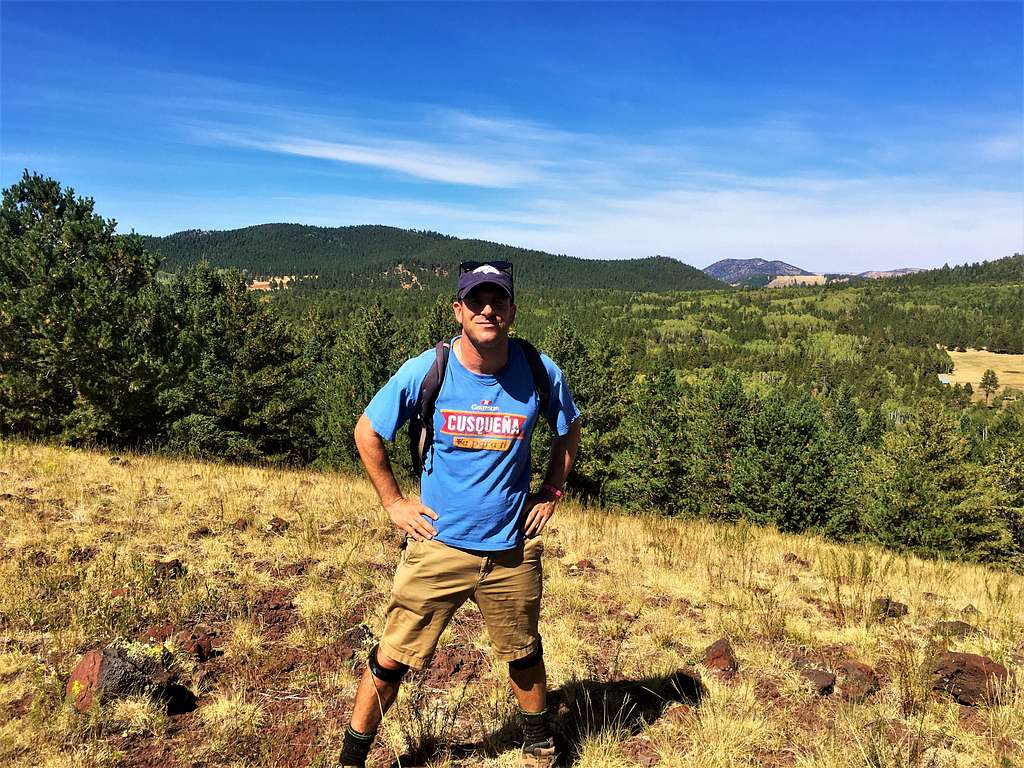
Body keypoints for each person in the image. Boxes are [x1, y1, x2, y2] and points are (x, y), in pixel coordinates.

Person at [338, 260, 582, 768]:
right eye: (476, 300)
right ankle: (352, 758)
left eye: (497, 300)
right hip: (439, 544)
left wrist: (551, 491)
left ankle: (537, 740)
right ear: (459, 309)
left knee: (523, 649)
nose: (487, 309)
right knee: (392, 658)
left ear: (513, 310)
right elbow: (367, 432)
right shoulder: (430, 369)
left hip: (510, 547)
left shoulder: (540, 371)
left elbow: (568, 432)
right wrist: (394, 503)